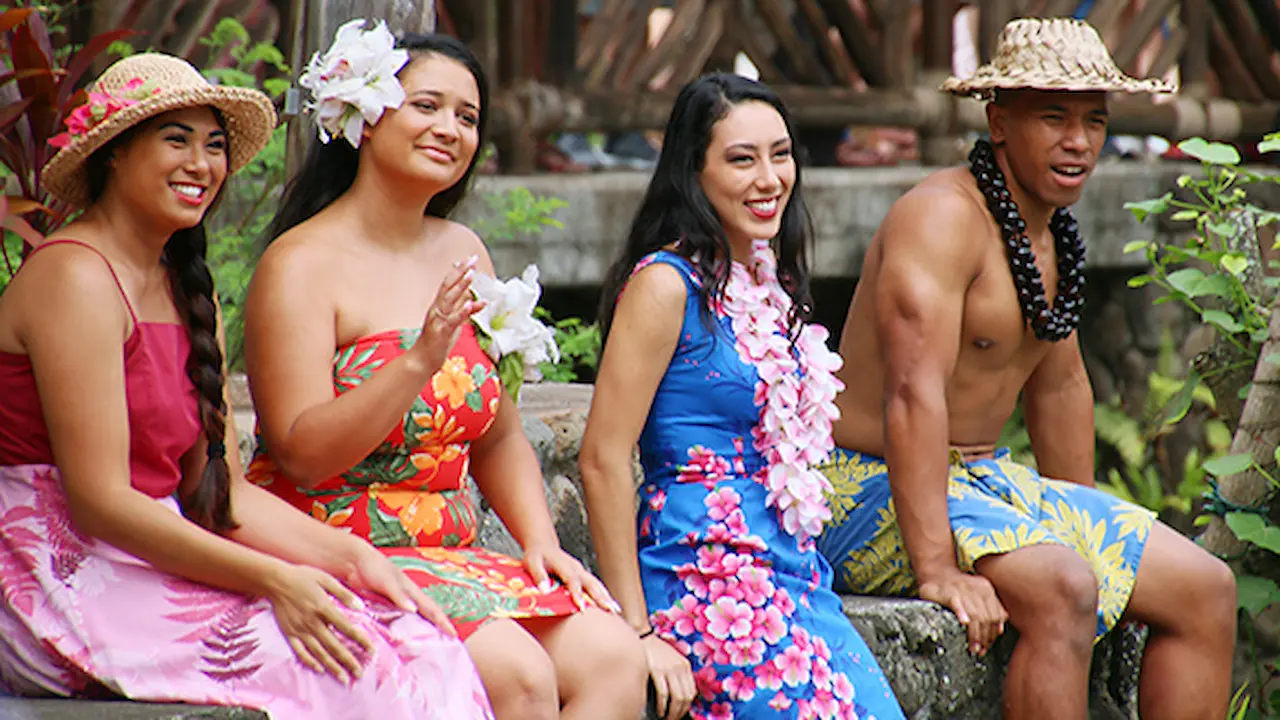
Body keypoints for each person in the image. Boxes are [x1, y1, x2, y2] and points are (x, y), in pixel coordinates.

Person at [0, 53, 492, 719]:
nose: (201, 164)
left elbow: (222, 496)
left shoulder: (183, 291)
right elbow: (100, 503)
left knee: (422, 640)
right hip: (52, 572)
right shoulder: (76, 277)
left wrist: (353, 560)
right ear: (113, 154)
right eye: (175, 140)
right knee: (353, 666)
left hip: (149, 547)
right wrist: (277, 579)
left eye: (214, 145)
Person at [815, 18, 1237, 720]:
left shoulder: (1044, 232)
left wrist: (1087, 528)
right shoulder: (941, 220)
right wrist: (937, 571)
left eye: (1095, 121)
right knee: (1065, 586)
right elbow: (912, 392)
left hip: (981, 482)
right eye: (1054, 117)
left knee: (1206, 588)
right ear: (999, 121)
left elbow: (1063, 385)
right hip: (861, 480)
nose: (1079, 141)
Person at [242, 21, 647, 720]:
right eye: (426, 106)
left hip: (452, 551)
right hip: (339, 549)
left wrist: (541, 544)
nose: (451, 129)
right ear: (365, 115)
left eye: (468, 117)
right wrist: (418, 361)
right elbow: (301, 454)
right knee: (519, 674)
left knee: (615, 657)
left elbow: (497, 435)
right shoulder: (300, 265)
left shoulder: (464, 250)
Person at [580, 72, 906, 720]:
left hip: (794, 572)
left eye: (780, 154)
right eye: (741, 159)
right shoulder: (665, 286)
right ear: (692, 170)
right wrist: (637, 633)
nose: (769, 178)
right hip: (704, 576)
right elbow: (601, 459)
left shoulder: (765, 280)